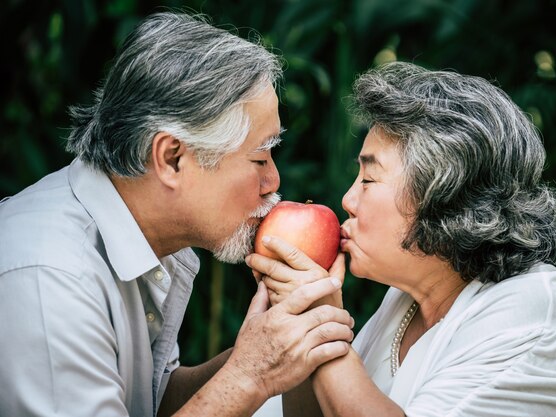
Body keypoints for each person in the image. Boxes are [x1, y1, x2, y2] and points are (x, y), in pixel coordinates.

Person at [0, 12, 355, 417]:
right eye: (259, 158)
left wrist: (281, 343)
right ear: (171, 158)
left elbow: (151, 402)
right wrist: (249, 374)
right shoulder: (50, 280)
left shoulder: (149, 237)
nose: (273, 181)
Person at [248, 62, 556, 416]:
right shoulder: (410, 295)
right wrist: (301, 317)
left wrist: (323, 326)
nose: (347, 201)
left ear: (444, 196)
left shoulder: (531, 327)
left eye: (369, 179)